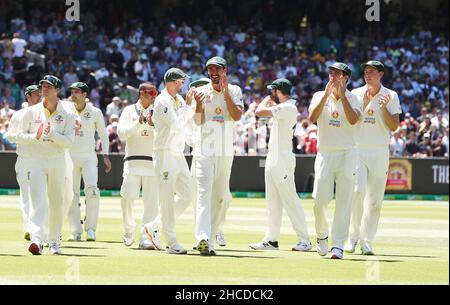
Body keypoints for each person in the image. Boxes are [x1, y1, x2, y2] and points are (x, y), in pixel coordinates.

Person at [14, 75, 76, 255]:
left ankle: (54, 241)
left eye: (49, 86)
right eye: (43, 86)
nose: (45, 89)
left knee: (57, 202)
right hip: (36, 160)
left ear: (57, 90)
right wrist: (36, 136)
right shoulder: (30, 112)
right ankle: (37, 240)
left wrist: (52, 135)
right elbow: (19, 137)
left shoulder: (68, 114)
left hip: (57, 160)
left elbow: (68, 143)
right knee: (38, 200)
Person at [345, 61, 401, 255]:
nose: (367, 75)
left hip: (379, 151)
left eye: (371, 72)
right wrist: (365, 102)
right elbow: (352, 121)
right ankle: (352, 238)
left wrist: (384, 108)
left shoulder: (391, 95)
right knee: (357, 192)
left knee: (375, 200)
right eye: (365, 72)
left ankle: (367, 241)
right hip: (358, 149)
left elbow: (394, 126)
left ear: (380, 74)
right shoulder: (356, 93)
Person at [249, 79, 311, 252]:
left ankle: (304, 240)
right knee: (273, 203)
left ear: (278, 91)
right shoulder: (285, 108)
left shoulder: (288, 107)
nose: (270, 94)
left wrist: (266, 100)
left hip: (282, 161)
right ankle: (271, 240)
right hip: (274, 158)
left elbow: (260, 112)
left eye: (272, 91)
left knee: (291, 200)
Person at [308, 63, 362, 259]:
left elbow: (353, 119)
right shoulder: (318, 96)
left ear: (346, 78)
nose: (333, 77)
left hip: (348, 153)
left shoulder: (354, 98)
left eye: (337, 74)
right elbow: (312, 117)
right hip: (325, 154)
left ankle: (338, 245)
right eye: (331, 73)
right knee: (319, 201)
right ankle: (322, 235)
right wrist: (325, 96)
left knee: (344, 201)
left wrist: (342, 96)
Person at [192, 57, 243, 256]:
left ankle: (210, 241)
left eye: (217, 69)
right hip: (205, 150)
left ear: (224, 70)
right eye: (210, 69)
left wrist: (226, 92)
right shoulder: (201, 92)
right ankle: (202, 237)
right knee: (204, 194)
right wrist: (198, 105)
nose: (214, 72)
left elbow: (237, 116)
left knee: (221, 197)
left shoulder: (236, 90)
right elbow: (197, 122)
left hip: (225, 151)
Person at [151, 68, 202, 255]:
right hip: (164, 153)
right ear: (173, 82)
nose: (183, 84)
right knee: (166, 199)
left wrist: (195, 142)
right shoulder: (162, 100)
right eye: (181, 81)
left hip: (178, 153)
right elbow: (176, 125)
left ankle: (153, 226)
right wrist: (189, 107)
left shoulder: (179, 100)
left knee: (188, 195)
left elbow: (186, 127)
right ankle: (171, 241)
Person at [67, 82, 112, 242]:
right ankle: (75, 231)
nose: (73, 94)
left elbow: (103, 135)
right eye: (72, 91)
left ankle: (91, 229)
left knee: (92, 191)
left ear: (85, 94)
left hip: (88, 157)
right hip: (70, 157)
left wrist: (105, 156)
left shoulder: (95, 111)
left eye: (77, 92)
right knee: (71, 195)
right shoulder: (66, 109)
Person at [117, 82, 160, 249]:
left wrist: (152, 125)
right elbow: (122, 134)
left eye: (155, 93)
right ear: (142, 93)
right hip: (132, 162)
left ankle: (146, 237)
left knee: (151, 204)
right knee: (127, 197)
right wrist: (138, 123)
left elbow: (165, 137)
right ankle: (128, 231)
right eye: (151, 92)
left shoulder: (158, 111)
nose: (153, 96)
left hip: (152, 162)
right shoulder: (128, 111)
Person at [4, 85, 41, 241]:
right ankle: (28, 227)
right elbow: (10, 136)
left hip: (41, 160)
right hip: (24, 159)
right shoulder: (18, 115)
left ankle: (40, 229)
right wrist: (29, 137)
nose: (39, 97)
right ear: (28, 96)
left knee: (41, 196)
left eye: (40, 94)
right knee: (25, 196)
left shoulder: (46, 114)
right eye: (36, 95)